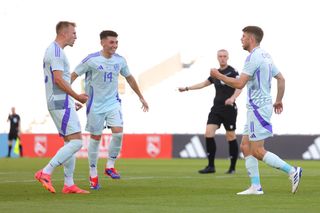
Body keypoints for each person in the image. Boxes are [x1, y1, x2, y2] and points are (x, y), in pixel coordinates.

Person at [210, 26, 302, 195]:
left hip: (258, 109)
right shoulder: (265, 55)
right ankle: (256, 187)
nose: (241, 39)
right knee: (245, 146)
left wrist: (219, 76)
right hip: (258, 108)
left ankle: (292, 171)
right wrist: (278, 100)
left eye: (243, 36)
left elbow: (239, 84)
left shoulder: (253, 58)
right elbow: (281, 78)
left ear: (251, 39)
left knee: (257, 151)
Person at [71, 30, 149, 190]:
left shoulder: (120, 60)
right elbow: (73, 75)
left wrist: (140, 96)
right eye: (111, 42)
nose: (115, 45)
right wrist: (70, 95)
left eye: (116, 42)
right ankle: (93, 174)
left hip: (113, 102)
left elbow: (129, 77)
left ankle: (110, 166)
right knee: (95, 138)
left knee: (118, 132)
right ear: (103, 43)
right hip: (95, 105)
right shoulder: (91, 60)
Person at [34, 21, 89, 194]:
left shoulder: (54, 50)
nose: (76, 37)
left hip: (61, 101)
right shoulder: (56, 52)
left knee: (69, 142)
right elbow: (58, 79)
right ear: (64, 33)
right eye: (73, 33)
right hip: (60, 102)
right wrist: (76, 96)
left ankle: (69, 184)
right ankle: (46, 172)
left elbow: (57, 81)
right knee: (77, 141)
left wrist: (71, 101)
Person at [179, 49, 241, 174]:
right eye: (220, 56)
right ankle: (211, 166)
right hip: (216, 108)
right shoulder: (215, 73)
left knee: (230, 136)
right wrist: (187, 88)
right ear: (217, 58)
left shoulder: (233, 72)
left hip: (229, 109)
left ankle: (232, 168)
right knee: (208, 132)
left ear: (228, 57)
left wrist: (233, 98)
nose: (222, 58)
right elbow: (203, 84)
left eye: (224, 56)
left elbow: (239, 86)